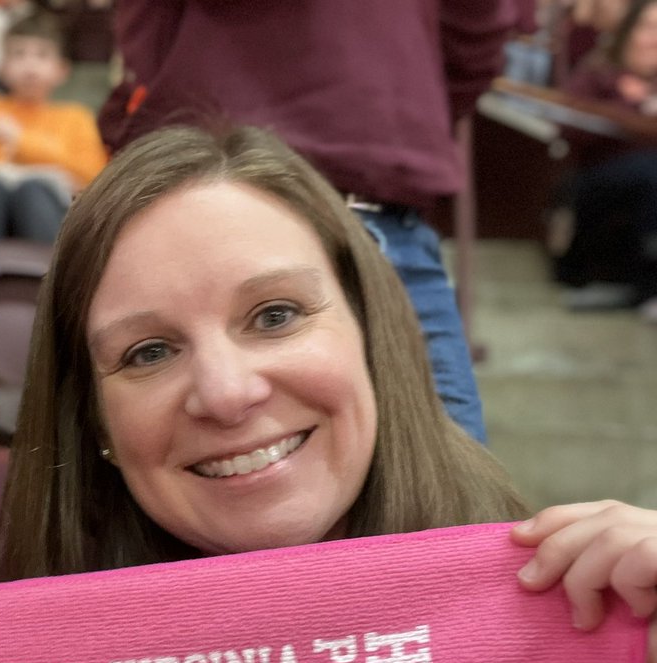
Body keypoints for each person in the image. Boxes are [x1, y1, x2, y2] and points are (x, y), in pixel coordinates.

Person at [0, 125, 656, 663]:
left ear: (372, 333)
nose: (226, 392)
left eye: (274, 315)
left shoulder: (594, 628)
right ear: (95, 424)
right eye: (148, 352)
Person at [96, 1, 519, 444]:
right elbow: (476, 26)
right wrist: (403, 98)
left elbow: (144, 34)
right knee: (452, 485)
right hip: (365, 179)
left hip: (208, 180)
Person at [0, 10, 106, 242]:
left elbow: (92, 179)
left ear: (62, 70)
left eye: (42, 55)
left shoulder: (76, 117)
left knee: (33, 191)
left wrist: (19, 141)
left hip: (49, 214)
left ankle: (50, 277)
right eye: (19, 54)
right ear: (2, 67)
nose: (30, 66)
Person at [549, 0, 657, 323]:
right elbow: (566, 124)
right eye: (649, 28)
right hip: (594, 188)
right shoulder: (599, 74)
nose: (655, 39)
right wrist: (629, 107)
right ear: (630, 32)